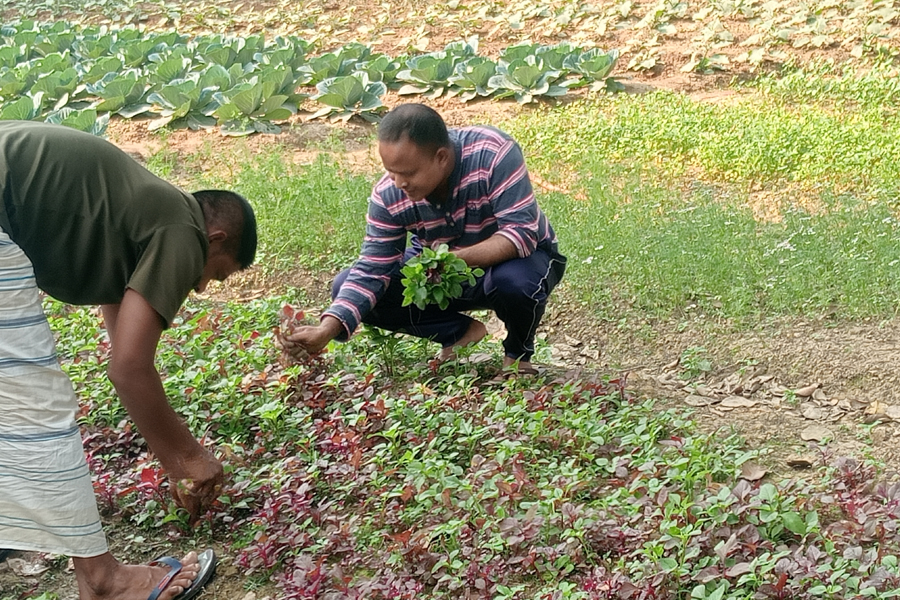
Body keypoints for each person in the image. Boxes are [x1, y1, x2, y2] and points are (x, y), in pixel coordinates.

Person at [0, 121, 257, 600]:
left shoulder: (133, 214)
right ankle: (104, 580)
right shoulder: (183, 229)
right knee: (37, 403)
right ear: (216, 238)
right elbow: (129, 370)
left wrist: (178, 460)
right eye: (216, 276)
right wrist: (188, 458)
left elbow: (125, 355)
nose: (200, 288)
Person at [285, 103, 566, 374]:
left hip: (518, 262)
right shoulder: (389, 195)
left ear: (441, 157)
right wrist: (326, 329)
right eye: (390, 172)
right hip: (441, 273)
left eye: (407, 173)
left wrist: (451, 260)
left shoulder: (493, 153)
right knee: (345, 285)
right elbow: (372, 269)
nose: (398, 183)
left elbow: (521, 233)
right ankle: (459, 332)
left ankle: (517, 356)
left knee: (515, 283)